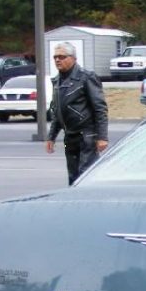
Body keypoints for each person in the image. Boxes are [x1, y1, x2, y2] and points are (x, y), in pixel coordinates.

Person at [45, 43, 109, 185]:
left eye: (61, 57)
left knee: (85, 175)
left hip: (86, 135)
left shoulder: (86, 77)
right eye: (55, 57)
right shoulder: (56, 81)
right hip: (70, 137)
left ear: (73, 58)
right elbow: (56, 110)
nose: (57, 60)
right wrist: (51, 137)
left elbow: (100, 108)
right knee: (73, 177)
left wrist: (102, 137)